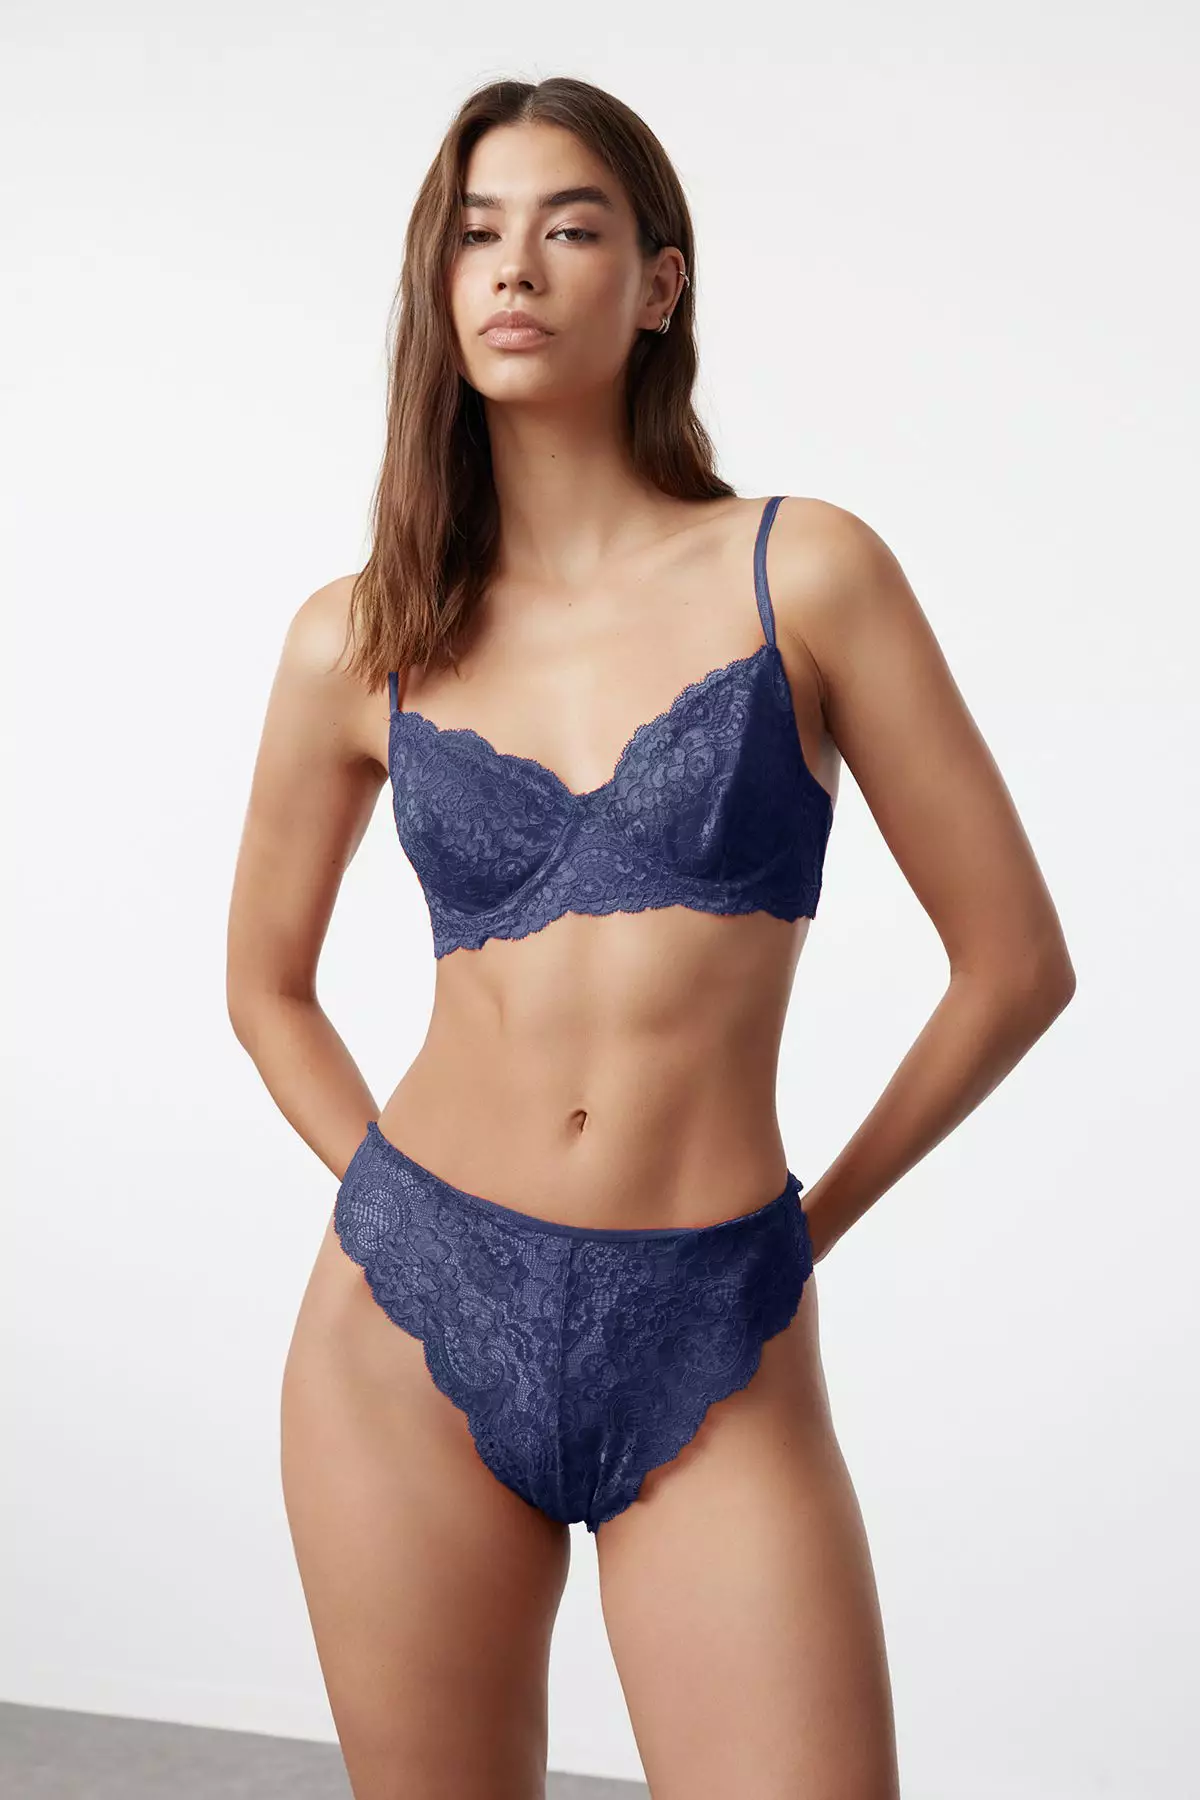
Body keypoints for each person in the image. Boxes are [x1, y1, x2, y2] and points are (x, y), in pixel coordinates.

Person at [226, 74, 1075, 1800]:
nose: (514, 267)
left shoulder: (804, 573)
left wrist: (800, 1235)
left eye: (570, 228)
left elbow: (1015, 964)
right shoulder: (363, 636)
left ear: (659, 285)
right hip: (406, 1329)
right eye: (477, 233)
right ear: (439, 283)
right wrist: (398, 1210)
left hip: (710, 1318)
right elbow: (265, 987)